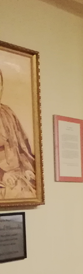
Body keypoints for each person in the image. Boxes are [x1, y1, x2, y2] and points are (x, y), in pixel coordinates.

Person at [0, 68, 37, 200]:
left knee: (31, 192)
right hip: (3, 179)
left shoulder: (8, 112)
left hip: (19, 174)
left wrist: (28, 168)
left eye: (0, 84)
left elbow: (23, 146)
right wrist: (2, 175)